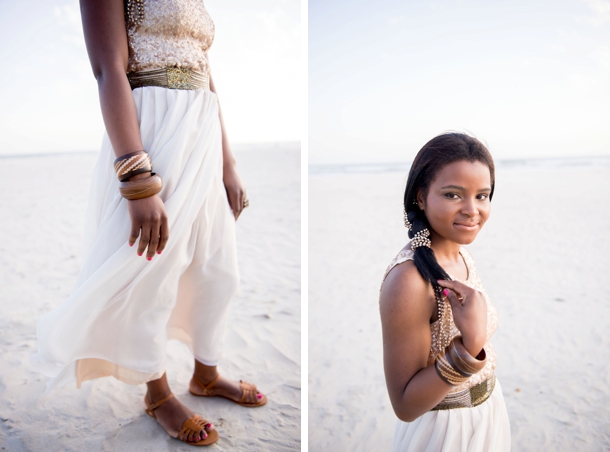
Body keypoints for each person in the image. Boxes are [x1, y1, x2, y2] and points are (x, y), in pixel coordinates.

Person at [30, 0, 266, 446]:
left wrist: (228, 163)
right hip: (153, 134)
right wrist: (137, 179)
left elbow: (205, 72)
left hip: (202, 133)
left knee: (217, 268)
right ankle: (158, 395)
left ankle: (206, 374)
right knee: (151, 271)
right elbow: (108, 70)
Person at [379, 133, 511, 451]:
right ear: (421, 197)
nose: (472, 210)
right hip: (446, 431)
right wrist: (469, 346)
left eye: (482, 195)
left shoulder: (459, 252)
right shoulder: (409, 281)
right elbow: (406, 406)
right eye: (453, 195)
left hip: (489, 412)